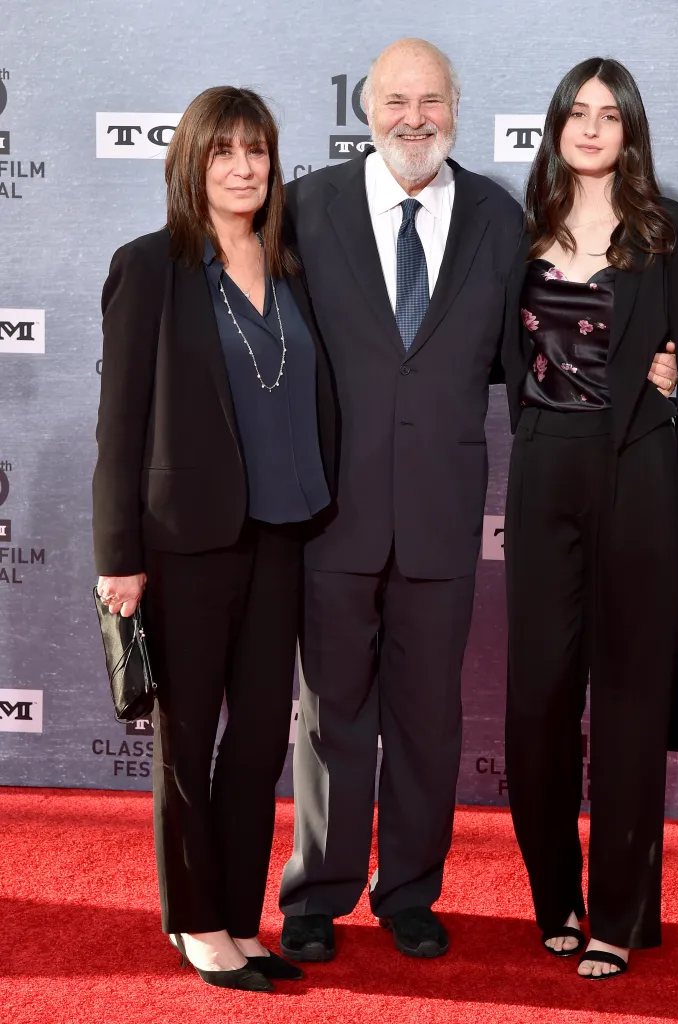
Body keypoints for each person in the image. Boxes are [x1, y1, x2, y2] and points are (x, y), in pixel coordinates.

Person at [278, 39, 678, 962]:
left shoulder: (504, 222)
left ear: (455, 105)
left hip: (445, 510)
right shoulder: (305, 208)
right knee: (331, 712)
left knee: (427, 717)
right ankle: (319, 893)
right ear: (365, 108)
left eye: (431, 100)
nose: (413, 118)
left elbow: (551, 349)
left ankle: (409, 892)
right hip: (331, 511)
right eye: (395, 101)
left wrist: (658, 363)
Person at [92, 86, 336, 991]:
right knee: (186, 741)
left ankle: (240, 915)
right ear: (190, 163)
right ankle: (196, 924)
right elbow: (118, 427)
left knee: (261, 739)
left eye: (257, 150)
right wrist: (118, 555)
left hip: (283, 534)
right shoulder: (151, 266)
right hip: (183, 543)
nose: (242, 167)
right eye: (222, 150)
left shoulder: (293, 267)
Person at [501, 57, 678, 979]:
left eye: (609, 115)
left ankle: (620, 916)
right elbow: (490, 355)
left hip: (638, 473)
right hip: (543, 468)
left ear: (631, 129)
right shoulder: (515, 235)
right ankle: (555, 897)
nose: (591, 128)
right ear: (556, 126)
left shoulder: (675, 234)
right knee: (538, 701)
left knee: (632, 703)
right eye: (575, 113)